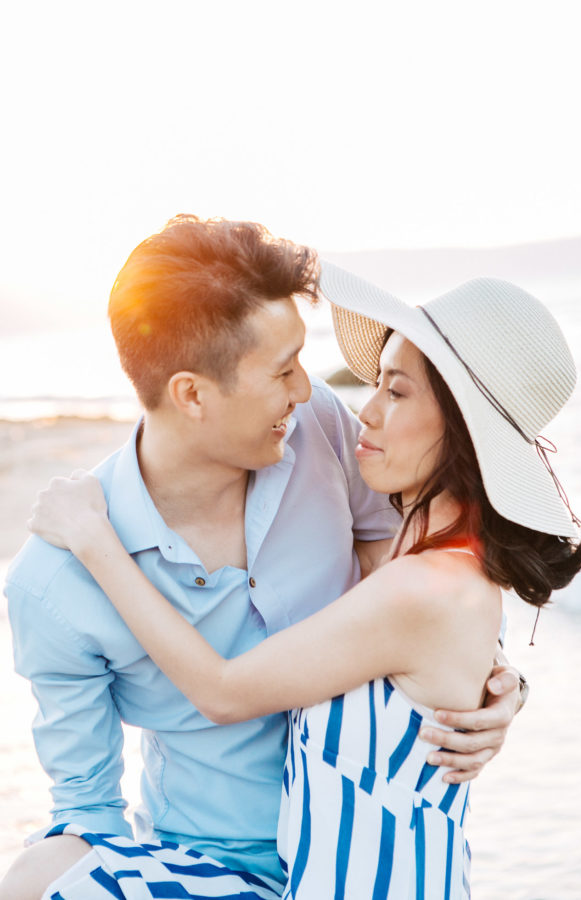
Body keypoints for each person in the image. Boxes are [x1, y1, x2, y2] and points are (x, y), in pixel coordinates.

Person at [2, 220, 520, 900]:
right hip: (211, 871)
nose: (307, 390)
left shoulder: (321, 432)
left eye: (303, 360)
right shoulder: (54, 582)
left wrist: (490, 675)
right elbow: (88, 815)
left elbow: (414, 582)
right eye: (283, 371)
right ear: (191, 395)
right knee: (36, 874)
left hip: (366, 862)